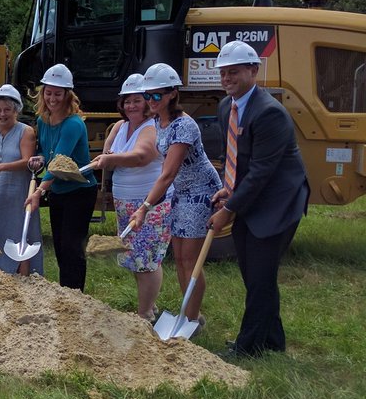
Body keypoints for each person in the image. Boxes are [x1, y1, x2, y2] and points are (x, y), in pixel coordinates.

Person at [209, 41, 309, 359]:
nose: (227, 78)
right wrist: (228, 188)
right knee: (255, 274)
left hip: (278, 203)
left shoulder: (269, 113)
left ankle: (248, 346)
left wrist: (228, 211)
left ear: (254, 70)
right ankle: (272, 340)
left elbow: (263, 171)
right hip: (250, 197)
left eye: (234, 72)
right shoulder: (227, 107)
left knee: (260, 275)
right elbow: (235, 159)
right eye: (223, 73)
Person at [127, 63, 222, 328]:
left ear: (172, 94)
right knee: (179, 257)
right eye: (148, 95)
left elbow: (168, 173)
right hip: (181, 191)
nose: (151, 101)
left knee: (190, 259)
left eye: (157, 95)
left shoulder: (185, 126)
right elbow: (167, 173)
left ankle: (192, 319)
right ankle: (191, 315)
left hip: (200, 192)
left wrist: (145, 206)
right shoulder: (158, 122)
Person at [91, 74, 170, 320]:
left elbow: (142, 156)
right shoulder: (119, 127)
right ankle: (150, 305)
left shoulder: (152, 127)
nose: (131, 106)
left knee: (146, 258)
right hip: (125, 202)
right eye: (127, 101)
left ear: (148, 101)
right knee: (134, 257)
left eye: (137, 100)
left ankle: (144, 313)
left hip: (149, 202)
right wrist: (105, 159)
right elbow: (107, 153)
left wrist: (110, 159)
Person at [26, 64, 98, 291]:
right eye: (48, 93)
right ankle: (65, 291)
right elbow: (47, 153)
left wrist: (39, 191)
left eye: (58, 94)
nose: (52, 98)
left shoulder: (73, 124)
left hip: (79, 192)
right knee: (58, 245)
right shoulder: (42, 121)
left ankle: (75, 294)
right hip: (58, 191)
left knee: (72, 246)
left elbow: (58, 162)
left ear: (68, 95)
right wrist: (37, 157)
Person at [0, 84, 41, 275]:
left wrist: (1, 167)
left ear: (16, 111)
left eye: (7, 110)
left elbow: (27, 161)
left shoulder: (25, 132)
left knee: (17, 234)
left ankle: (23, 279)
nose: (2, 114)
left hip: (16, 196)